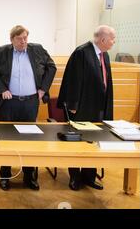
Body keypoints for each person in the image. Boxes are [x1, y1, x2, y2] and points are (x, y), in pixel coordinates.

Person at [0, 25, 56, 191]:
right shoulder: (2, 51)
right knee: (6, 140)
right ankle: (5, 175)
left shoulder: (37, 50)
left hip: (31, 102)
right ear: (12, 40)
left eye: (25, 37)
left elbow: (51, 67)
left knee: (29, 140)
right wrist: (2, 89)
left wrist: (43, 89)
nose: (23, 41)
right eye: (19, 39)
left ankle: (29, 176)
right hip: (8, 103)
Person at [57, 25, 116, 191]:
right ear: (103, 39)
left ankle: (89, 177)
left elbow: (105, 82)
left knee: (94, 143)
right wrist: (73, 106)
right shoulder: (82, 52)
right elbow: (73, 80)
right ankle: (75, 177)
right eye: (112, 38)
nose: (114, 41)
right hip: (82, 107)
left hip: (98, 108)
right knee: (78, 143)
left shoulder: (105, 55)